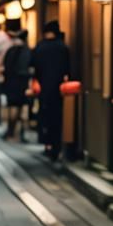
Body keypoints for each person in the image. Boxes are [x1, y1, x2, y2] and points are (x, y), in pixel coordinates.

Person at [31, 20, 71, 161]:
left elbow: (34, 68)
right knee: (57, 117)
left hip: (43, 88)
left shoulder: (40, 47)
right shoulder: (63, 47)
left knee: (44, 116)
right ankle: (57, 146)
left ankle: (47, 144)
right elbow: (68, 69)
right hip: (59, 88)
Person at [1, 29, 32, 140]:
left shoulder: (10, 51)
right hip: (22, 82)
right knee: (22, 108)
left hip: (10, 81)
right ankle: (19, 133)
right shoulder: (27, 51)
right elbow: (30, 67)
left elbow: (4, 66)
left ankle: (10, 130)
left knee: (12, 107)